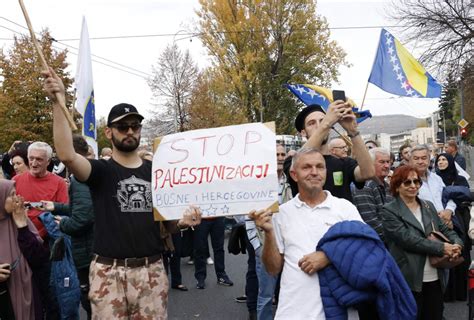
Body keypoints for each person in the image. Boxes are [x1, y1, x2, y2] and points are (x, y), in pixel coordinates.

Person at [44, 67, 201, 318]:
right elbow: (66, 154)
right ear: (109, 132)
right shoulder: (101, 171)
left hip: (152, 271)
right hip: (109, 272)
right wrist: (57, 102)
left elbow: (166, 225)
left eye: (135, 126)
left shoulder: (157, 172)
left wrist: (181, 223)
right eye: (122, 127)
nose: (130, 131)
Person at [250, 147, 363, 319]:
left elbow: (364, 251)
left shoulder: (345, 208)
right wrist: (269, 233)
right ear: (294, 175)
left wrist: (327, 257)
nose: (314, 172)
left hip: (339, 310)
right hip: (292, 311)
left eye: (320, 166)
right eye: (307, 167)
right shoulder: (282, 213)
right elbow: (273, 269)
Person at [382, 165, 463, 320]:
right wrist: (442, 248)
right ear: (397, 186)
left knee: (435, 315)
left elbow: (444, 230)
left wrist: (457, 244)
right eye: (407, 182)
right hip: (409, 277)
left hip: (435, 274)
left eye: (416, 181)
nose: (413, 186)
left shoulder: (427, 205)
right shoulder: (389, 210)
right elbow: (408, 240)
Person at [40, 134, 96, 319]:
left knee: (91, 302)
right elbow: (82, 206)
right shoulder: (86, 173)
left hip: (88, 250)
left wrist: (62, 223)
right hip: (91, 249)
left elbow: (82, 218)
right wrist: (56, 206)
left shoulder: (80, 177)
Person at [285, 103, 375, 202]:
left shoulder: (344, 163)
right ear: (303, 132)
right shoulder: (292, 162)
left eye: (322, 121)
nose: (319, 126)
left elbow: (368, 173)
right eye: (312, 123)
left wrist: (353, 131)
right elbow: (300, 160)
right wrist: (326, 123)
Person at [0, 179, 49, 320]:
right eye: (11, 195)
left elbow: (39, 258)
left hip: (28, 293)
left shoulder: (20, 218)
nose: (17, 199)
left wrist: (22, 227)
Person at [12, 141, 69, 239]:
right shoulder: (15, 180)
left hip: (49, 239)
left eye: (39, 159)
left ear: (48, 161)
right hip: (21, 236)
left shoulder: (59, 183)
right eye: (31, 158)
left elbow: (63, 212)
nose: (34, 163)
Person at [435, 153, 472, 301]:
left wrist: (450, 195)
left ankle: (462, 293)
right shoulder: (435, 179)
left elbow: (467, 195)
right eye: (439, 160)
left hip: (460, 219)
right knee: (447, 254)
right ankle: (448, 294)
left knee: (460, 251)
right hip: (442, 220)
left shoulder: (459, 179)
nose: (441, 162)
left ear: (450, 162)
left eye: (444, 159)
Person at [409, 144, 456, 228]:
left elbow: (449, 196)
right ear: (410, 161)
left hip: (447, 223)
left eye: (424, 158)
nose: (420, 162)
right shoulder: (406, 182)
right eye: (416, 158)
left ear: (429, 159)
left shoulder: (436, 178)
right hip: (425, 227)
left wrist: (449, 210)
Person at [353, 147, 393, 242]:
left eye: (388, 162)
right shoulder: (364, 186)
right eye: (382, 162)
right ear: (370, 164)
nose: (387, 166)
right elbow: (371, 222)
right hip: (375, 243)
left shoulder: (387, 186)